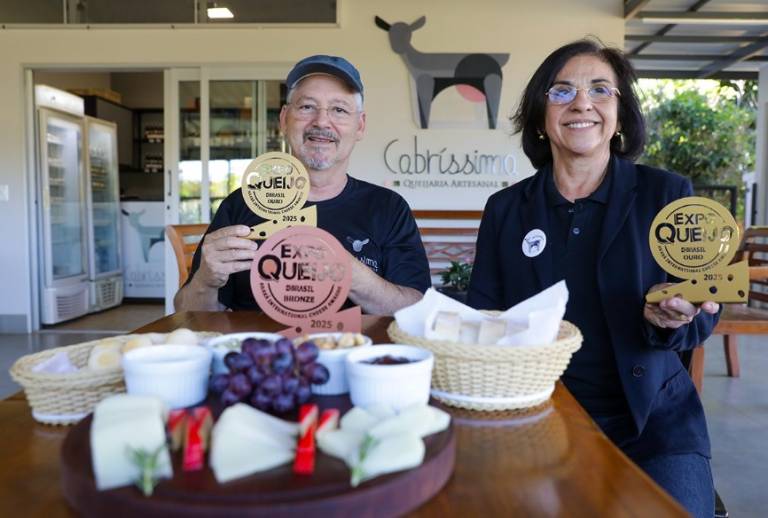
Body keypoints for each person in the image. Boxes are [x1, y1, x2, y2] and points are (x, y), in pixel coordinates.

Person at [467, 39, 719, 517]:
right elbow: (485, 318)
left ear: (620, 116)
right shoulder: (506, 209)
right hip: (537, 422)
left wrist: (675, 318)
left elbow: (704, 310)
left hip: (655, 426)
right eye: (561, 92)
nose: (582, 103)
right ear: (541, 116)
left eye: (600, 90)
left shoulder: (667, 194)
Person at [174, 55, 430, 315]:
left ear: (360, 125)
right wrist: (206, 280)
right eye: (307, 107)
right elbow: (186, 313)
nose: (321, 121)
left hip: (354, 353)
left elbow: (416, 308)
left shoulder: (387, 207)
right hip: (261, 354)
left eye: (339, 110)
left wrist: (349, 273)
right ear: (284, 119)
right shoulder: (241, 204)